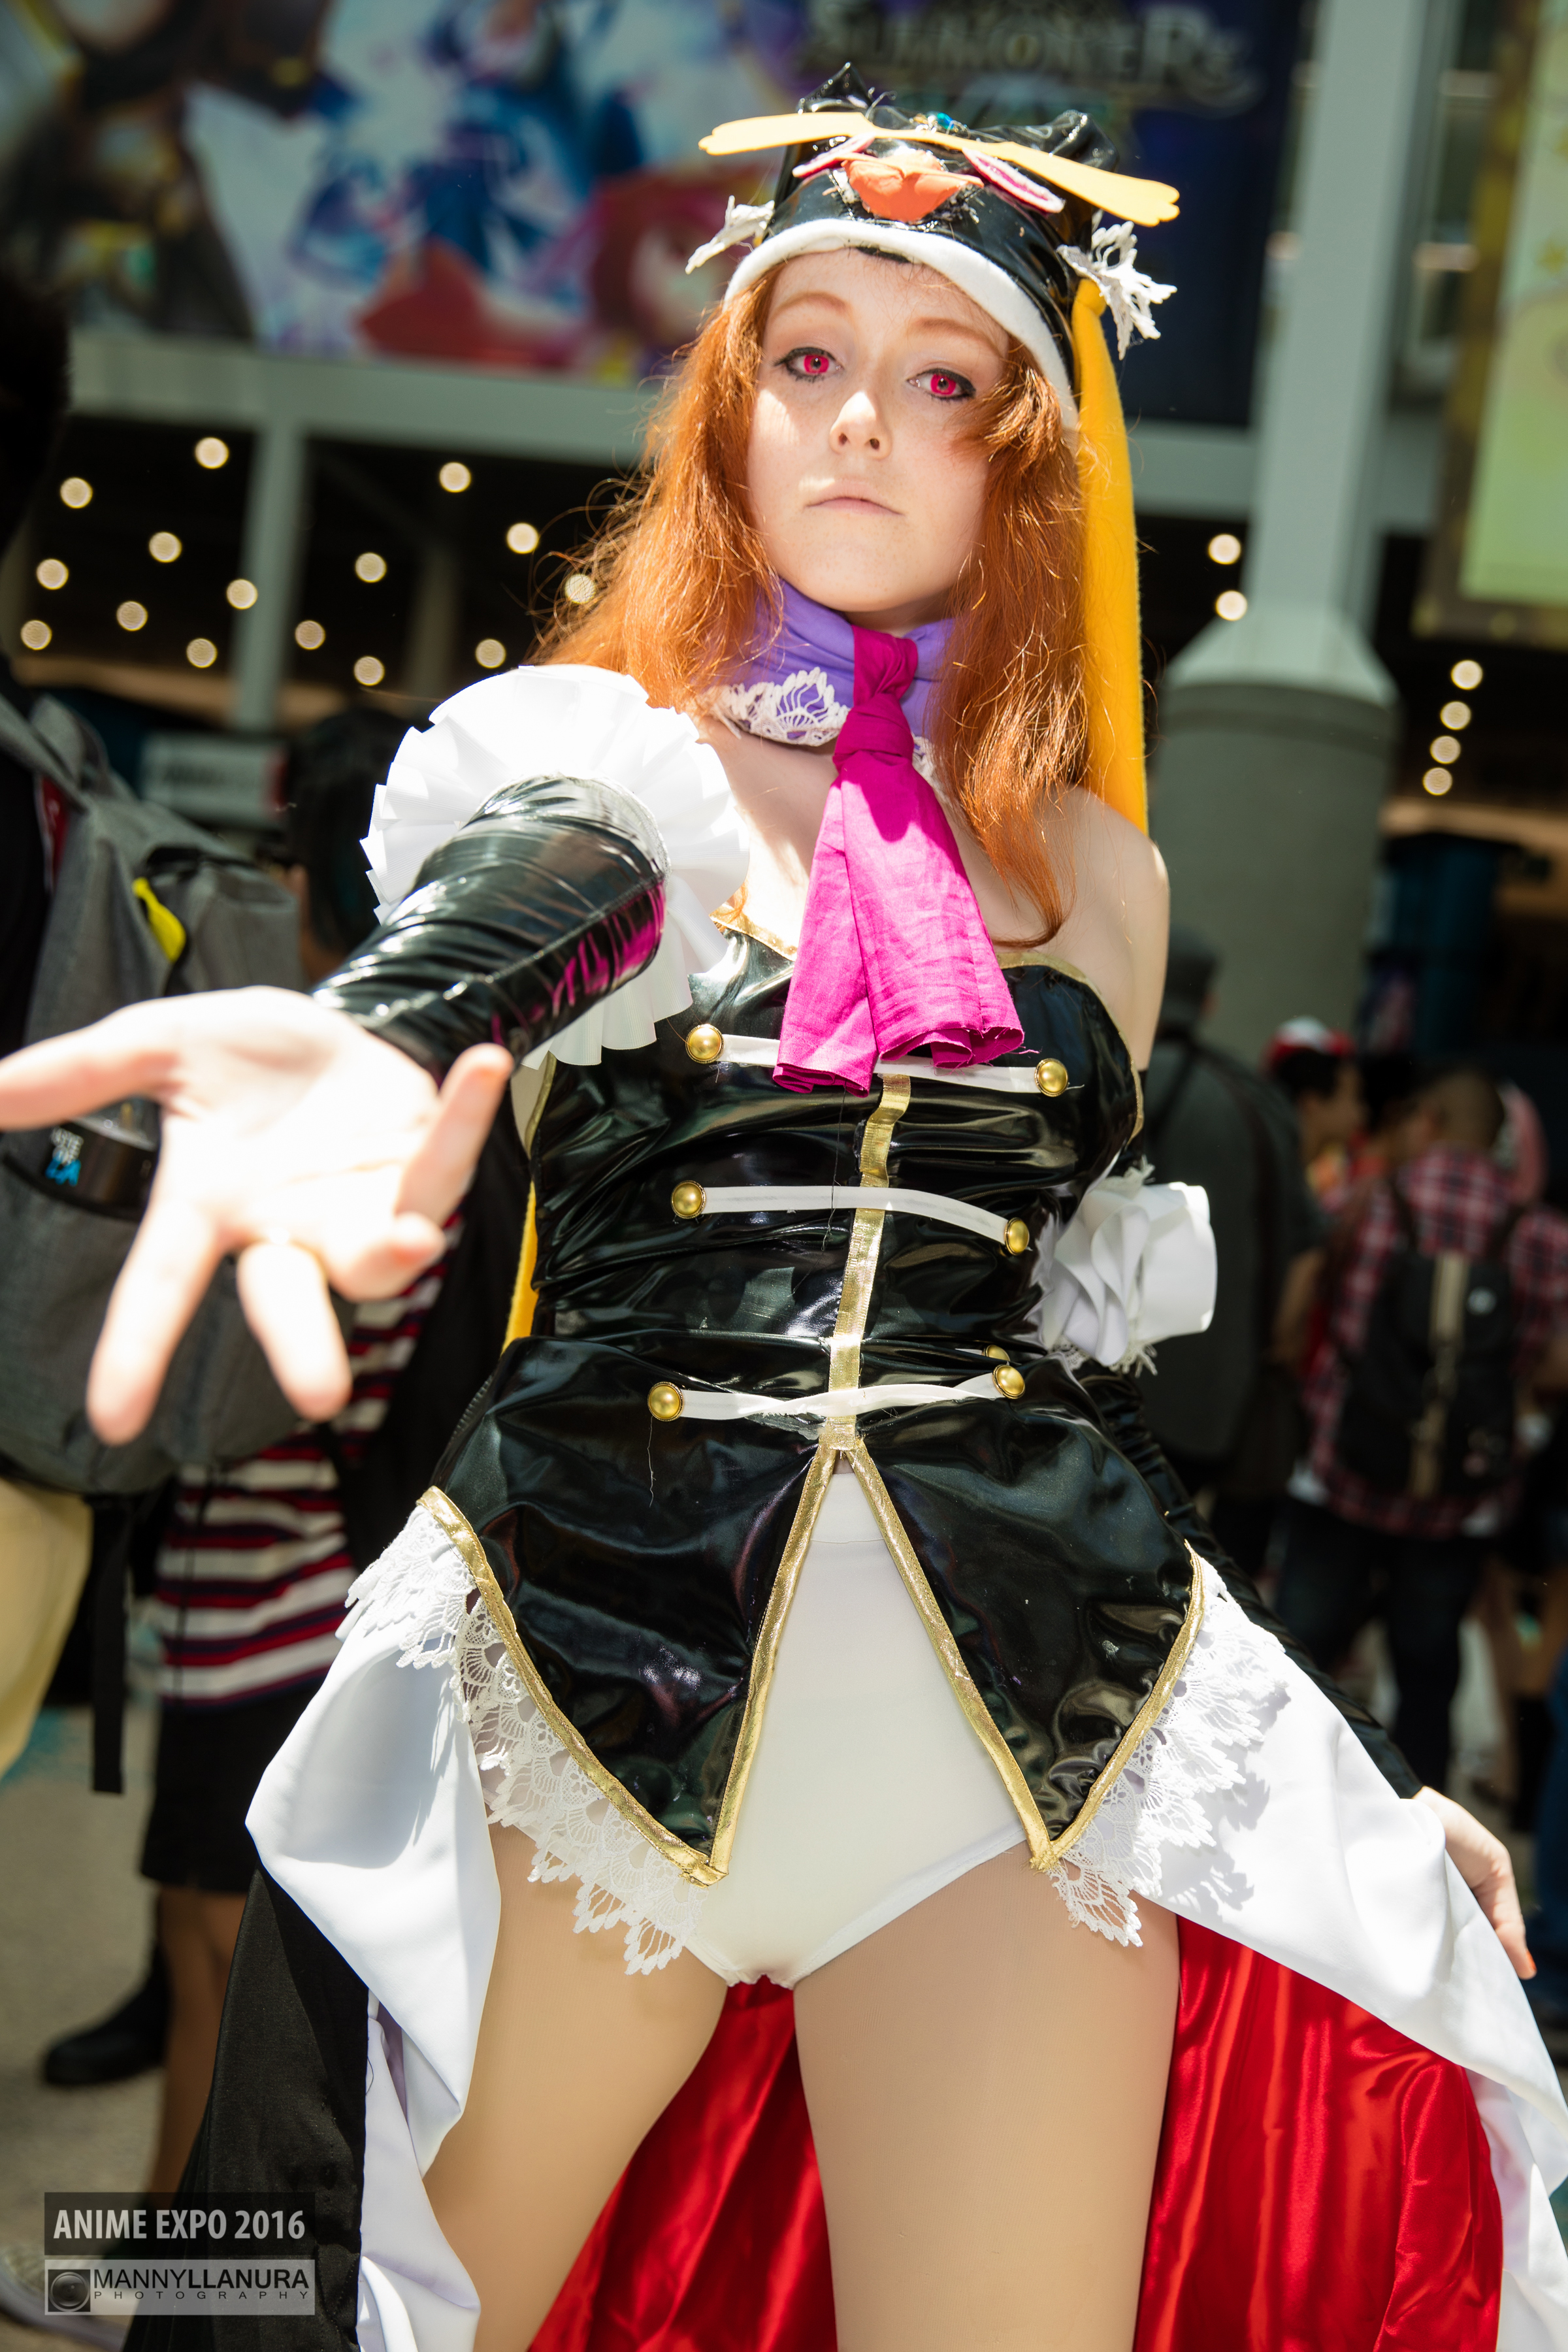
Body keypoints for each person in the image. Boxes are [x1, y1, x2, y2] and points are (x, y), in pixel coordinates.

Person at [0, 74, 1563, 2352]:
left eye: (942, 384)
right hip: (590, 1689)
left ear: (1028, 460)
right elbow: (537, 904)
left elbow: (1057, 1386)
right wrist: (379, 1028)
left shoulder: (1102, 878)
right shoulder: (593, 757)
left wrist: (1320, 1786)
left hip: (1006, 1774)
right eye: (806, 356)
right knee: (323, 2303)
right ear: (729, 405)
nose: (856, 422)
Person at [1281, 1066, 1568, 1798]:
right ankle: (1418, 1821)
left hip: (1343, 1475)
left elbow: (1304, 1300)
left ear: (1428, 1121)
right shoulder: (1543, 1236)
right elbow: (1553, 1364)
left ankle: (1279, 1801)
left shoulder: (1366, 1201)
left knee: (1296, 1660)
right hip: (1458, 1501)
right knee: (1427, 1674)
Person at [1137, 924, 1324, 1577]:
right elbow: (1309, 1245)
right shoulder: (1258, 1099)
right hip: (1222, 1397)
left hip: (1110, 1395)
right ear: (1209, 1003)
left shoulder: (1112, 1080)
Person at [1265, 1015, 1365, 1200]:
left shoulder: (1323, 1174)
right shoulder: (1270, 1176)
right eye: (1351, 1097)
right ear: (1312, 1101)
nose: (1359, 1115)